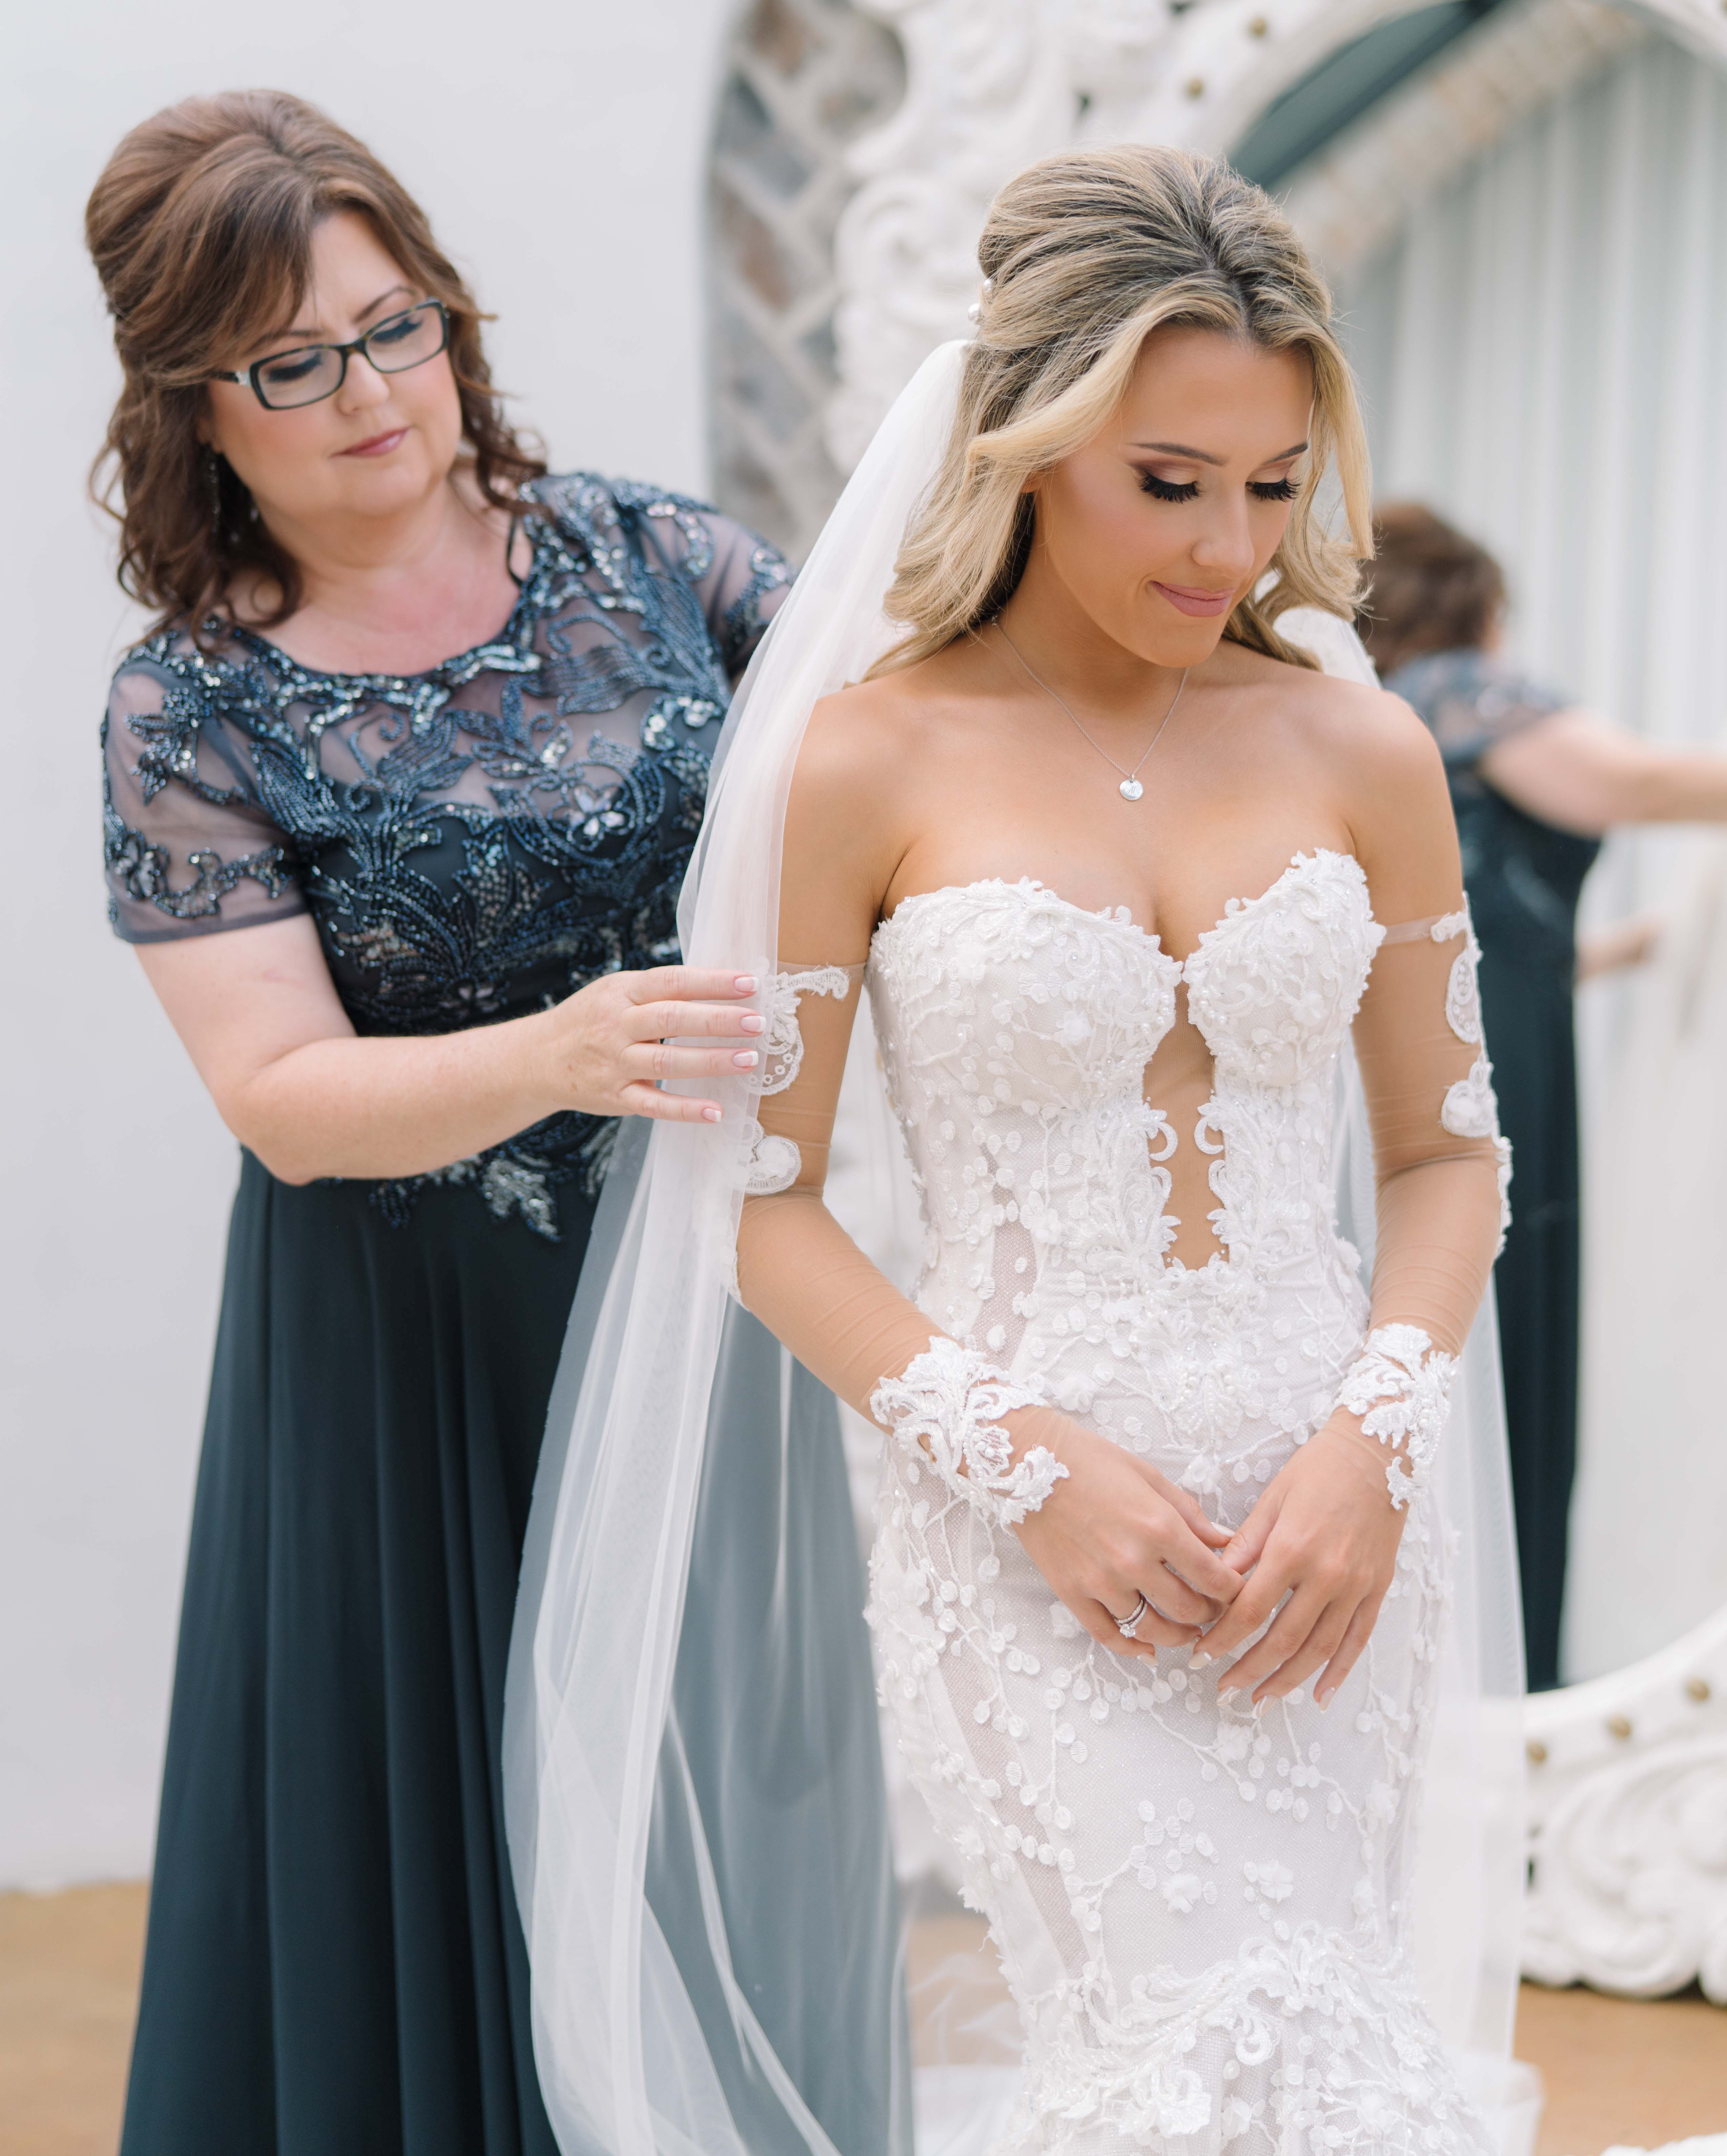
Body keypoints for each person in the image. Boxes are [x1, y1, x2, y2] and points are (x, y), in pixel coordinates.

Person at [510, 147, 1531, 2155]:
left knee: (1333, 2044)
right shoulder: (861, 755)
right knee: (1184, 2059)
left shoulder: (1362, 749)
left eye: (1267, 481)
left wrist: (1373, 1442)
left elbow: (1444, 1155)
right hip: (1027, 1517)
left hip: (1334, 1513)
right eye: (1169, 480)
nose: (1228, 542)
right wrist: (1021, 1463)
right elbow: (761, 1195)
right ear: (1023, 437)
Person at [90, 90, 902, 2156]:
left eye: (397, 325)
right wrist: (561, 1049)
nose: (367, 391)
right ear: (196, 405)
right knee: (445, 1834)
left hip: (707, 1297)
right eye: (290, 361)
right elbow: (276, 1096)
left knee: (721, 1785)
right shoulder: (191, 703)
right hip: (405, 1354)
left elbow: (912, 761)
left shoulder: (665, 559)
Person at [1358, 503, 1727, 1691]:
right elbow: (1650, 782)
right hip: (1496, 1086)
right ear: (1472, 612)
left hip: (1454, 1052)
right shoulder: (1464, 692)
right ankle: (1501, 1698)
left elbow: (1514, 935)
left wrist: (1647, 946)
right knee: (1508, 1368)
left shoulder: (1379, 726)